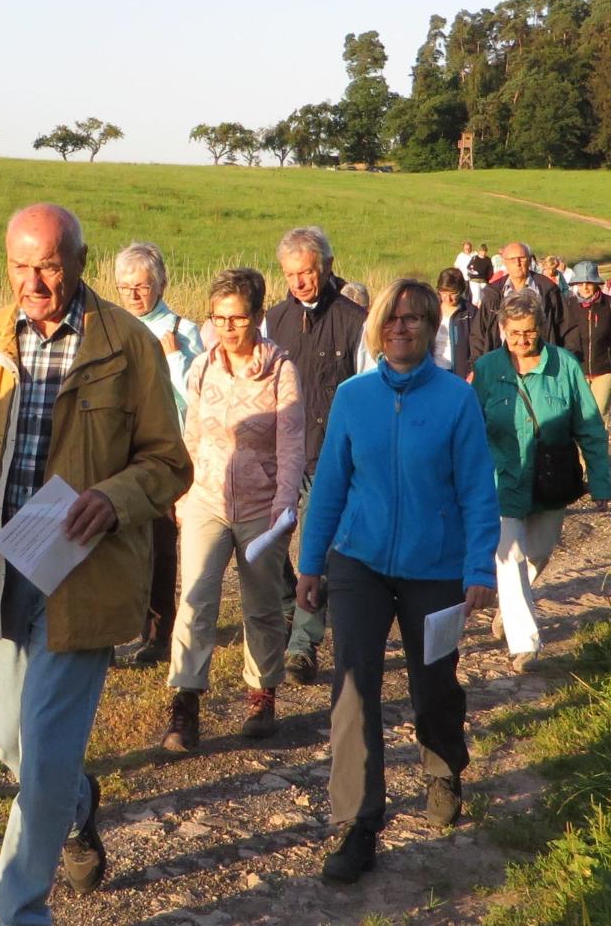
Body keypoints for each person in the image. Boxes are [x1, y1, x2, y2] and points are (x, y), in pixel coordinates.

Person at [0, 203, 191, 925]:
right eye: (21, 266)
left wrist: (117, 496)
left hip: (83, 575)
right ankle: (77, 800)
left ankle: (20, 909)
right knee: (12, 742)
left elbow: (169, 463)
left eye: (50, 266)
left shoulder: (128, 348)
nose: (33, 281)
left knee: (49, 745)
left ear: (81, 263)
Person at [295, 278, 500, 885]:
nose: (402, 327)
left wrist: (479, 567)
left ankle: (443, 766)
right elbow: (330, 485)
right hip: (357, 562)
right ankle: (358, 823)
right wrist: (311, 562)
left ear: (432, 328)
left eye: (415, 318)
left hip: (434, 567)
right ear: (377, 327)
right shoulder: (354, 397)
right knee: (354, 686)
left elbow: (475, 491)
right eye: (392, 318)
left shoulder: (456, 401)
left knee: (433, 684)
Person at [160, 267, 303, 753]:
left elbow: (291, 446)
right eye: (218, 319)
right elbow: (192, 435)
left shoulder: (282, 371)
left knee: (261, 606)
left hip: (261, 508)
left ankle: (261, 696)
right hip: (205, 499)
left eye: (237, 319)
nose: (227, 329)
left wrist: (284, 509)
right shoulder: (202, 367)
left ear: (259, 317)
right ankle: (186, 701)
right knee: (195, 598)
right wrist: (182, 494)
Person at [471, 292, 611, 674]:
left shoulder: (564, 366)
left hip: (550, 479)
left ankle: (510, 603)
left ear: (541, 330)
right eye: (514, 332)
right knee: (510, 556)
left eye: (529, 332)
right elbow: (468, 427)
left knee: (539, 554)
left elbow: (589, 426)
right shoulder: (486, 369)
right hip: (501, 480)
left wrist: (600, 481)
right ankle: (526, 642)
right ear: (503, 330)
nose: (521, 340)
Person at [261, 226, 368, 688]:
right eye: (290, 274)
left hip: (332, 457)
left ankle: (303, 645)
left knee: (315, 552)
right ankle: (289, 608)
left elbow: (365, 388)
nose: (299, 282)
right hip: (282, 453)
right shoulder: (272, 320)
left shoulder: (356, 321)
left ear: (325, 266)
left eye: (306, 272)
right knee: (265, 546)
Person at [113, 242, 204, 667]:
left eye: (142, 286)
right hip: (116, 453)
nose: (133, 295)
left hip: (164, 454)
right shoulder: (109, 329)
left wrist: (172, 361)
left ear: (161, 284)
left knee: (161, 547)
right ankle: (108, 630)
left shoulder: (183, 332)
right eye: (125, 287)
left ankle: (158, 632)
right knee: (113, 544)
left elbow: (199, 400)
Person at [471, 241, 567, 370]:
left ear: (529, 260)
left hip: (542, 363)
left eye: (521, 258)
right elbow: (479, 333)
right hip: (500, 365)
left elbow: (566, 327)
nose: (517, 263)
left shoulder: (548, 290)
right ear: (504, 262)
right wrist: (476, 366)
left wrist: (565, 364)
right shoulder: (493, 293)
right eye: (512, 259)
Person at [560, 261, 611, 418]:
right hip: (576, 371)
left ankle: (597, 442)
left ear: (596, 283)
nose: (585, 286)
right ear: (576, 283)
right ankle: (581, 443)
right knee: (578, 417)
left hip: (605, 369)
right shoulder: (567, 305)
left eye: (589, 282)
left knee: (597, 415)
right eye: (581, 282)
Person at [431, 267, 480, 377]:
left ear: (461, 291)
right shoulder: (430, 309)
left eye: (453, 293)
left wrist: (472, 371)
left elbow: (477, 346)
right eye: (443, 293)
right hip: (432, 371)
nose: (448, 298)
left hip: (460, 375)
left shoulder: (471, 313)